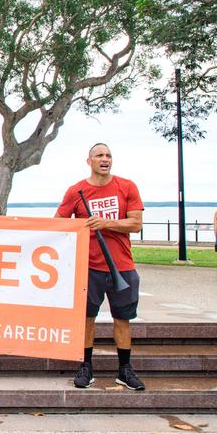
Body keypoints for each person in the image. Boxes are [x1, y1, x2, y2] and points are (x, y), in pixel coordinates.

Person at [54, 142, 145, 391]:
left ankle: (125, 370)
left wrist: (105, 223)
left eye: (108, 155)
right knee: (87, 319)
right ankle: (86, 366)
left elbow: (136, 224)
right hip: (89, 266)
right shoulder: (77, 191)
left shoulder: (126, 186)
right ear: (89, 161)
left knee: (122, 319)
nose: (105, 159)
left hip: (122, 266)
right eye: (99, 155)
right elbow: (59, 223)